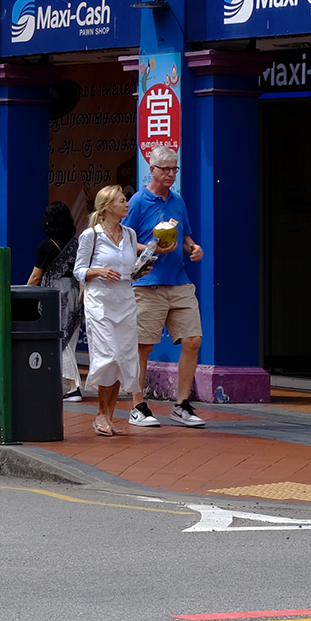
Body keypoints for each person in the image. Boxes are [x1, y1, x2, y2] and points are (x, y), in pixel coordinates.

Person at [126, 147, 206, 428]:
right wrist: (151, 248)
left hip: (179, 281)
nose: (171, 174)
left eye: (175, 169)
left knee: (192, 340)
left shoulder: (178, 201)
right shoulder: (137, 201)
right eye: (166, 169)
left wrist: (193, 248)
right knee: (143, 346)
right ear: (153, 169)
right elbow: (123, 241)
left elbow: (186, 238)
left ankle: (181, 404)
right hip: (148, 284)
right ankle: (138, 405)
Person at [73, 184, 141, 438]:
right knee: (108, 355)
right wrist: (99, 271)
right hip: (99, 300)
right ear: (108, 206)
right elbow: (78, 270)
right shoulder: (91, 235)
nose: (126, 204)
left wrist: (142, 268)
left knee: (122, 358)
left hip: (124, 298)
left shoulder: (131, 235)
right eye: (122, 201)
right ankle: (100, 414)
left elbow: (131, 267)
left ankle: (109, 417)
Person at [27, 201, 83, 398]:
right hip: (76, 291)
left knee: (61, 339)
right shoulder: (77, 244)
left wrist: (24, 293)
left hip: (55, 294)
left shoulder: (46, 246)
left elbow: (36, 276)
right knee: (71, 339)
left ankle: (74, 386)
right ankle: (71, 384)